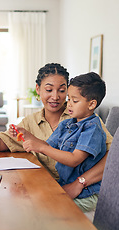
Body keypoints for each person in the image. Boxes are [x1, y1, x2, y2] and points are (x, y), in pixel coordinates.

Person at [0, 63, 113, 200]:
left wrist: (79, 183)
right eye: (49, 90)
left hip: (79, 190)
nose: (55, 97)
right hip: (47, 186)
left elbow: (113, 155)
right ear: (38, 89)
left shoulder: (85, 120)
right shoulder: (33, 122)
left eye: (61, 90)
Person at [13, 72, 106, 212]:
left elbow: (74, 159)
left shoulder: (92, 129)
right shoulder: (67, 124)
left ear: (92, 104)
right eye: (68, 99)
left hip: (88, 193)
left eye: (74, 101)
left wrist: (41, 148)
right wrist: (28, 136)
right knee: (29, 198)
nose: (69, 104)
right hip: (64, 183)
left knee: (45, 209)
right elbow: (47, 146)